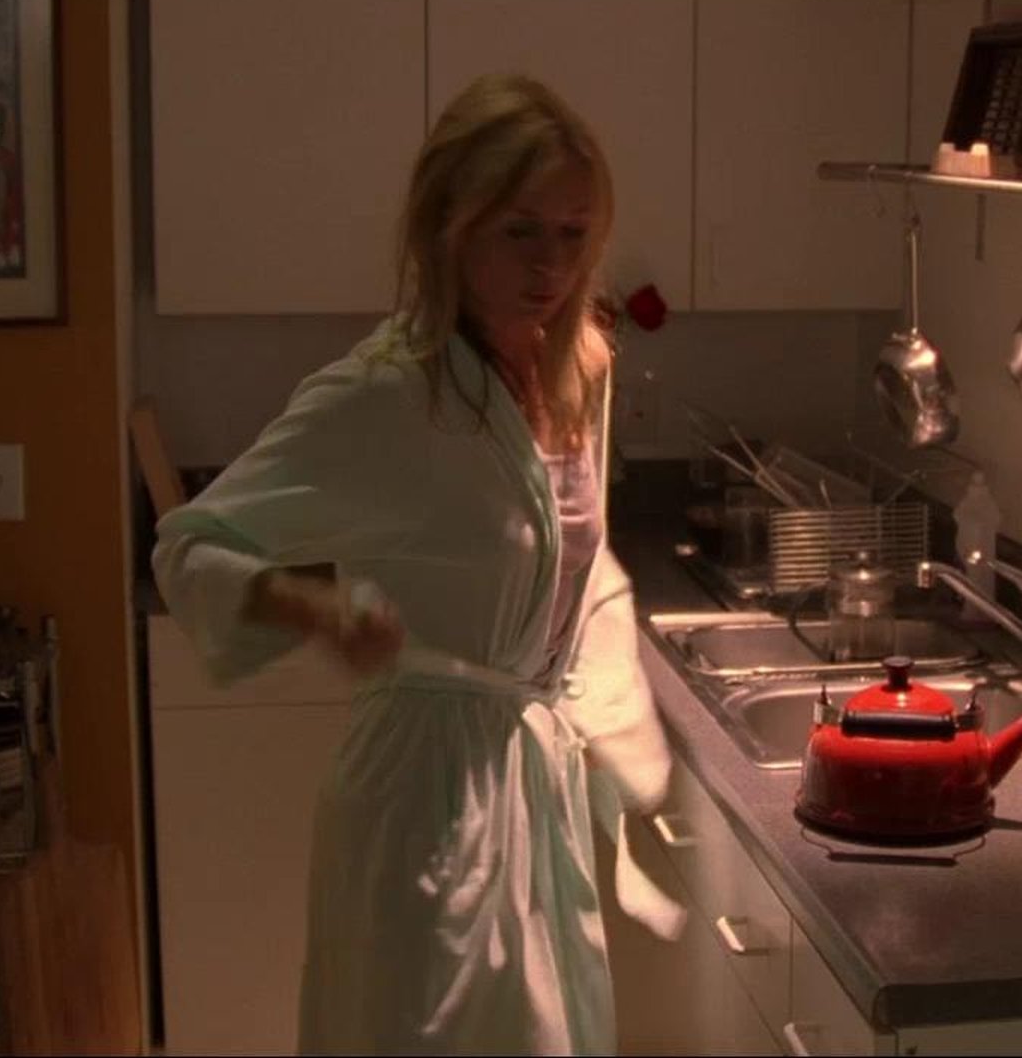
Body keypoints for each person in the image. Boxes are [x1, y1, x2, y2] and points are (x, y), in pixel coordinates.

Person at [151, 74, 677, 1055]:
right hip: (422, 797)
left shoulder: (578, 371)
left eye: (574, 233)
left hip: (532, 787)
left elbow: (575, 565)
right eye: (520, 230)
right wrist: (313, 605)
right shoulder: (387, 397)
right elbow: (187, 546)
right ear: (449, 224)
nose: (552, 263)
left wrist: (612, 723)